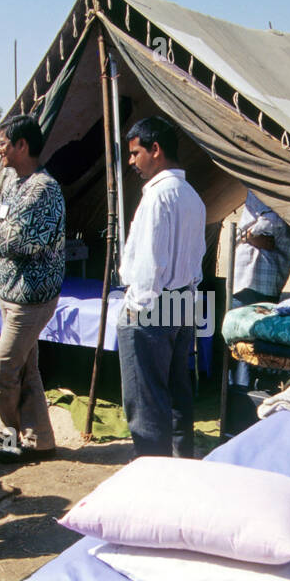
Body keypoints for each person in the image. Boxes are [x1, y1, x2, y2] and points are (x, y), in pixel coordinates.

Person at [0, 115, 66, 463]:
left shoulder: (43, 189)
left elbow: (21, 241)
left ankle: (9, 436)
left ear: (21, 145)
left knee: (2, 371)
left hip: (32, 298)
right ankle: (40, 440)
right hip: (9, 292)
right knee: (27, 370)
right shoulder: (12, 183)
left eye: (2, 144)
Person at [117, 115, 206, 458]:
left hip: (153, 304)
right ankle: (181, 466)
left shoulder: (158, 197)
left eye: (135, 152)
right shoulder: (191, 196)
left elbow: (149, 265)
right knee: (176, 393)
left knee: (146, 400)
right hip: (181, 299)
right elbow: (196, 258)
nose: (131, 161)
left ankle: (153, 478)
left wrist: (136, 307)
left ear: (155, 150)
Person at [229, 189, 290, 387]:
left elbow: (272, 220)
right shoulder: (255, 189)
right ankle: (237, 394)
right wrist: (247, 236)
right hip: (250, 279)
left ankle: (242, 393)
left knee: (248, 342)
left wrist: (244, 235)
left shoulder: (266, 188)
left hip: (257, 278)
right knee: (240, 341)